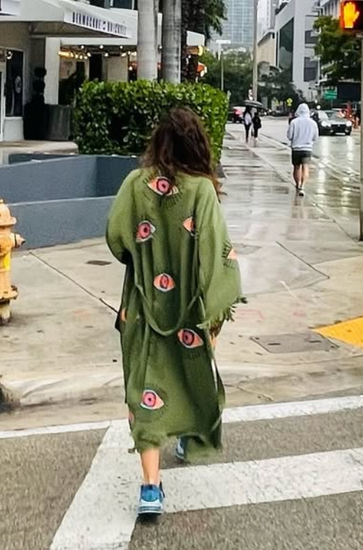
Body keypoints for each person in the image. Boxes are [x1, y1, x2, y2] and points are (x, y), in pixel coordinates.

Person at [105, 108, 243, 522]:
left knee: (145, 389)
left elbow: (116, 239)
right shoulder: (202, 191)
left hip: (142, 308)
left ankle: (150, 487)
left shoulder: (134, 185)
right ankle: (189, 437)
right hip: (188, 310)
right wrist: (214, 314)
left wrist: (144, 255)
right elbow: (216, 258)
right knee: (187, 374)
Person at [286, 102, 318, 196]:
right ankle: (303, 186)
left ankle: (298, 184)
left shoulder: (294, 122)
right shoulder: (313, 123)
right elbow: (315, 137)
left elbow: (289, 136)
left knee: (296, 167)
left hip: (296, 149)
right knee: (306, 167)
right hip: (307, 149)